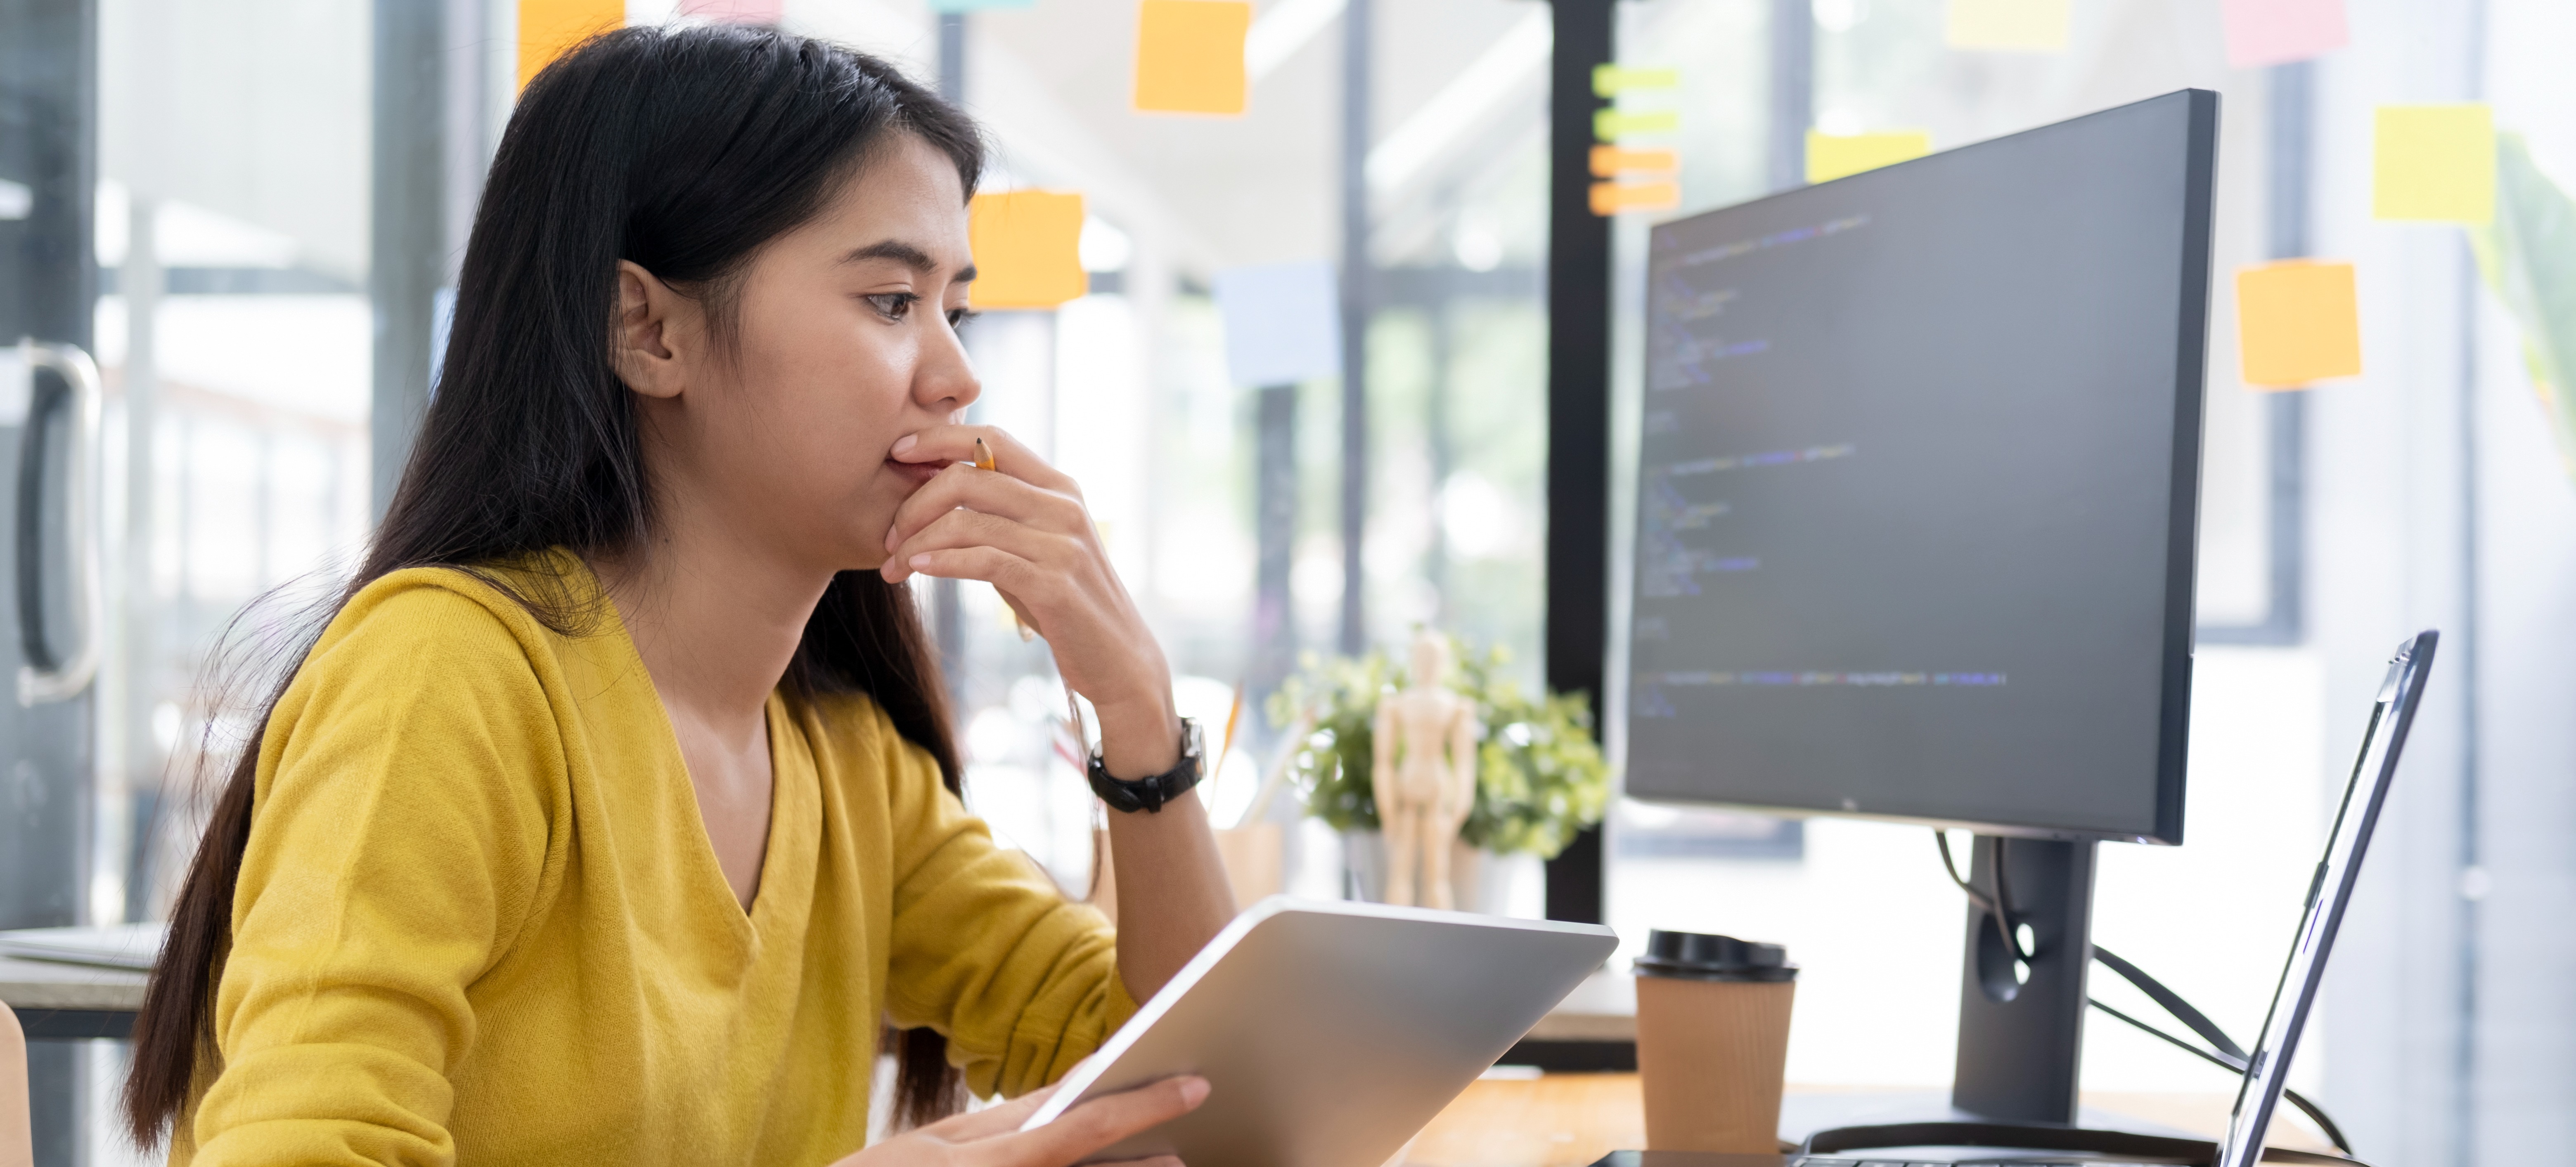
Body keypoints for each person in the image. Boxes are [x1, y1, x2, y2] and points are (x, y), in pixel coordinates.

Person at [119, 24, 1233, 1167]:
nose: (957, 375)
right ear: (648, 329)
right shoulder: (446, 679)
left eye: (961, 307)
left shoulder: (842, 761)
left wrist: (1140, 714)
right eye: (894, 300)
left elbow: (1192, 1095)